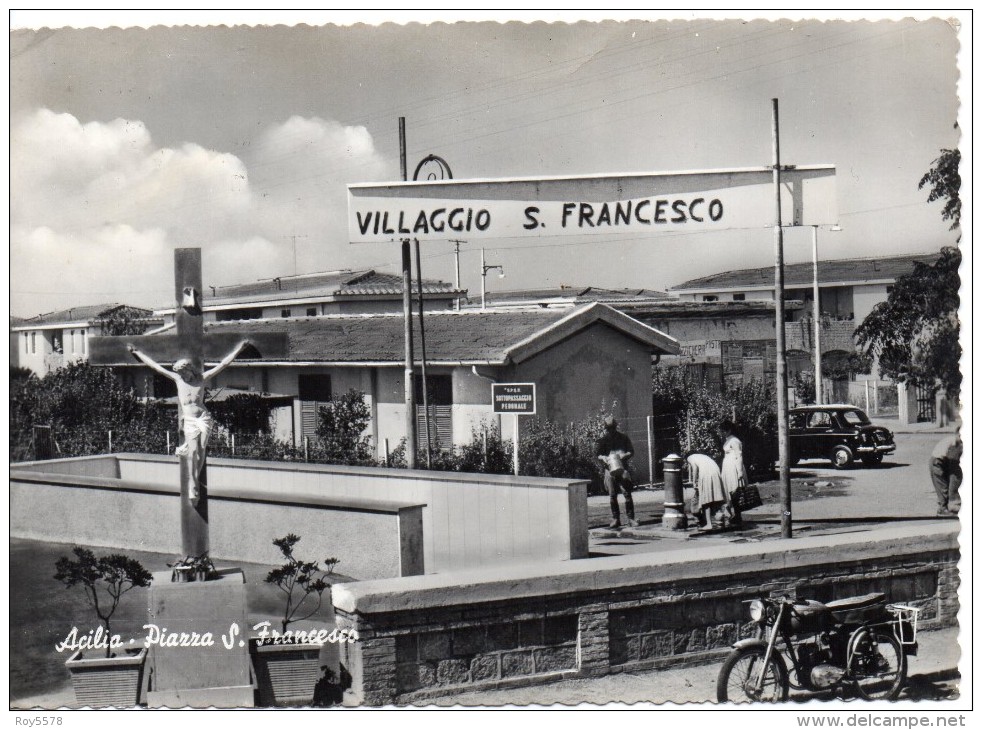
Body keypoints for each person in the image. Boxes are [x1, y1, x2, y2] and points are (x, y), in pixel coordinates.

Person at [128, 340, 251, 505]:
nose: (184, 376)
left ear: (189, 370)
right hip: (190, 420)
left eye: (185, 373)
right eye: (182, 374)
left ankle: (195, 480)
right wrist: (137, 352)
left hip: (203, 418)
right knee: (192, 453)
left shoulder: (202, 378)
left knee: (201, 451)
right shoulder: (178, 380)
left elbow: (223, 364)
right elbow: (155, 367)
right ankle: (193, 484)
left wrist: (239, 349)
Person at [596, 416, 637, 528]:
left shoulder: (623, 438)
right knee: (612, 496)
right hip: (609, 470)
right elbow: (598, 454)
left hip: (622, 468)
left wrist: (624, 455)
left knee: (627, 494)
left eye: (612, 428)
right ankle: (616, 519)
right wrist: (603, 458)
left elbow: (631, 451)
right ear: (606, 429)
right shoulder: (603, 440)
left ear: (615, 427)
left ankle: (631, 518)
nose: (611, 430)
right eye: (608, 429)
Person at [685, 452, 729, 530]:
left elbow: (694, 468)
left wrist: (694, 482)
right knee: (716, 496)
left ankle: (709, 524)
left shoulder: (690, 458)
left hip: (706, 473)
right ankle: (723, 515)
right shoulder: (703, 456)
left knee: (706, 499)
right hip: (716, 471)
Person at [718, 420, 747, 526]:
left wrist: (739, 472)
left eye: (723, 431)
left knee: (734, 491)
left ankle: (737, 515)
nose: (721, 433)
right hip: (728, 467)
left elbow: (739, 456)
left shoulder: (734, 441)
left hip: (733, 467)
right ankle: (733, 514)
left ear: (729, 430)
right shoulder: (728, 440)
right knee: (729, 491)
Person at [930, 432, 962, 516]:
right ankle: (942, 509)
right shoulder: (955, 442)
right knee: (942, 486)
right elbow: (953, 461)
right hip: (937, 462)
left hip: (938, 461)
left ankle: (943, 508)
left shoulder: (952, 439)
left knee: (942, 485)